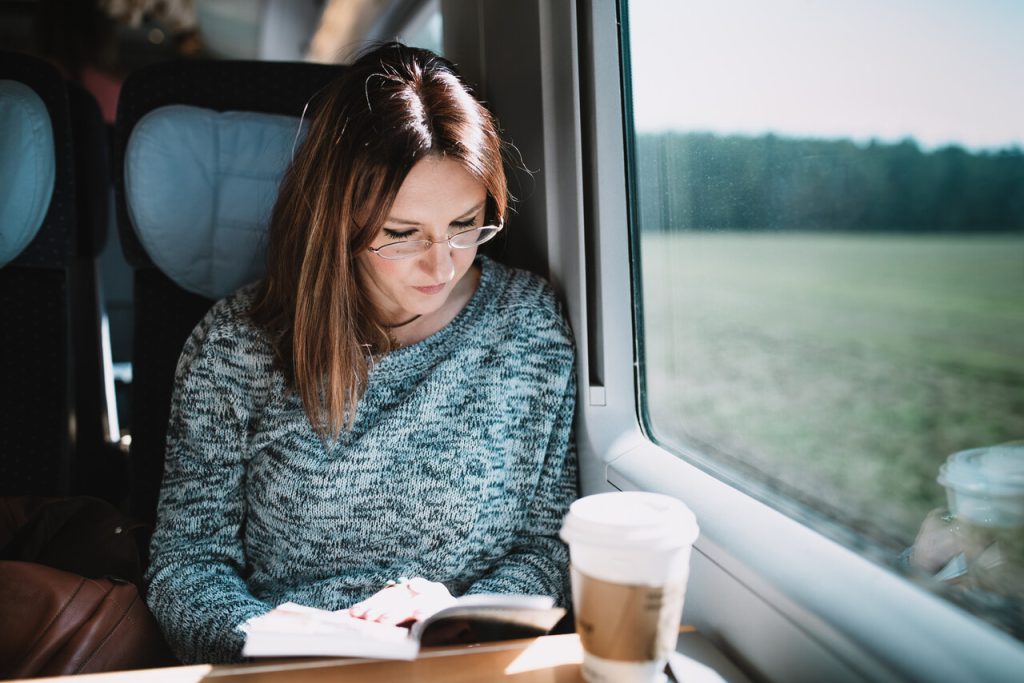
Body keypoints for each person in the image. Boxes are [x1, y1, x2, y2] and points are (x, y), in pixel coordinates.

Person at [143, 42, 578, 664]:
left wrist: (457, 619)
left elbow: (545, 547)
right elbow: (187, 564)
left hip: (461, 665)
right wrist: (274, 645)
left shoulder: (528, 327)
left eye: (465, 225)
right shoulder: (237, 347)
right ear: (338, 220)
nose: (442, 266)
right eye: (402, 235)